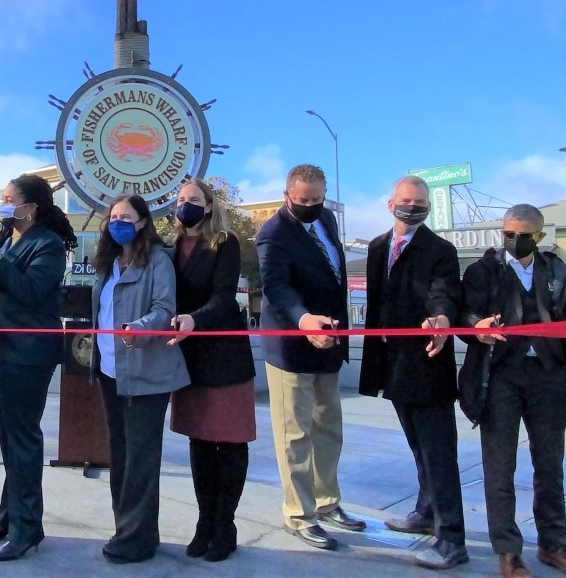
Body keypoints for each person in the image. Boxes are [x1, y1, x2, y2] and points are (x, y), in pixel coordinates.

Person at [459, 203, 566, 578]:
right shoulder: (481, 271)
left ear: (540, 236)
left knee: (550, 466)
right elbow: (465, 314)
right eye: (508, 234)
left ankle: (554, 545)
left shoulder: (559, 271)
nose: (515, 241)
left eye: (523, 235)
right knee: (499, 467)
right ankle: (508, 551)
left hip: (549, 376)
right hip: (499, 377)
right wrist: (477, 325)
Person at [256, 164, 365, 552]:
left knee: (328, 428)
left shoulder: (328, 220)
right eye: (302, 201)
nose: (309, 206)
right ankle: (299, 514)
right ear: (287, 195)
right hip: (292, 347)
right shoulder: (273, 234)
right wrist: (305, 321)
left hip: (329, 344)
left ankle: (326, 501)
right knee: (295, 435)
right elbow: (276, 287)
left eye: (316, 200)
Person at [361, 175, 467, 570]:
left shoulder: (440, 249)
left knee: (439, 452)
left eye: (420, 201)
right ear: (391, 204)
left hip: (427, 361)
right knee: (418, 447)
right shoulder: (376, 247)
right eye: (406, 200)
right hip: (391, 364)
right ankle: (425, 511)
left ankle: (452, 538)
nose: (413, 206)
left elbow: (444, 292)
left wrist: (440, 318)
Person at [0, 173, 77, 562]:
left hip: (29, 354)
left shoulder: (47, 245)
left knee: (23, 440)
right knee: (8, 438)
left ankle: (27, 529)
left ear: (30, 207)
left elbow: (32, 292)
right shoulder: (8, 238)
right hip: (2, 348)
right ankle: (9, 517)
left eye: (9, 198)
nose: (3, 204)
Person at [89, 194, 183, 564]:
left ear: (143, 222)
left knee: (141, 458)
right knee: (121, 456)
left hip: (145, 372)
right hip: (111, 372)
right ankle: (129, 528)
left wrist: (137, 329)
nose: (117, 223)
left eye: (125, 217)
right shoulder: (108, 262)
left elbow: (164, 309)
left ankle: (136, 538)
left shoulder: (158, 260)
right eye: (113, 217)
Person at [168, 179, 256, 562]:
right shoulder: (166, 249)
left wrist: (193, 319)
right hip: (187, 358)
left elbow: (224, 298)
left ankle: (225, 524)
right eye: (181, 199)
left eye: (194, 200)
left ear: (208, 206)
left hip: (224, 356)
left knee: (230, 442)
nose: (185, 204)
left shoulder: (225, 242)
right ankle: (204, 522)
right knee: (200, 442)